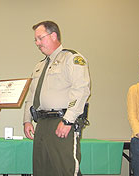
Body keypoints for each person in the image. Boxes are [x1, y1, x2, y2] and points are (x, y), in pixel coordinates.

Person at [23, 21, 90, 176]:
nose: (37, 43)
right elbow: (31, 95)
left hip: (62, 122)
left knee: (65, 170)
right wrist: (27, 119)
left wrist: (68, 120)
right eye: (35, 40)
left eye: (40, 38)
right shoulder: (39, 66)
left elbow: (81, 90)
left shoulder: (71, 58)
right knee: (42, 169)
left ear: (53, 35)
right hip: (42, 123)